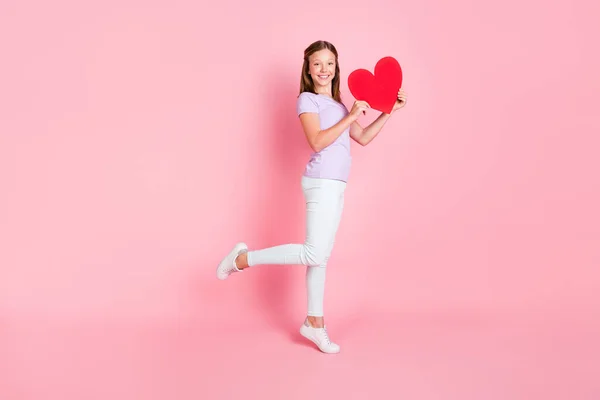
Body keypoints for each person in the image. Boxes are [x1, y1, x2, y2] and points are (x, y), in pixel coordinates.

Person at [216, 40, 407, 354]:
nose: (324, 70)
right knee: (314, 253)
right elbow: (317, 141)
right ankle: (241, 259)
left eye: (329, 63)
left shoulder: (340, 104)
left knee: (320, 257)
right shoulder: (307, 100)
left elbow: (363, 138)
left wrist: (389, 112)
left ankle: (314, 323)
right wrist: (350, 116)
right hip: (320, 183)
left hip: (336, 185)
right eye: (317, 64)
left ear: (336, 67)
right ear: (308, 68)